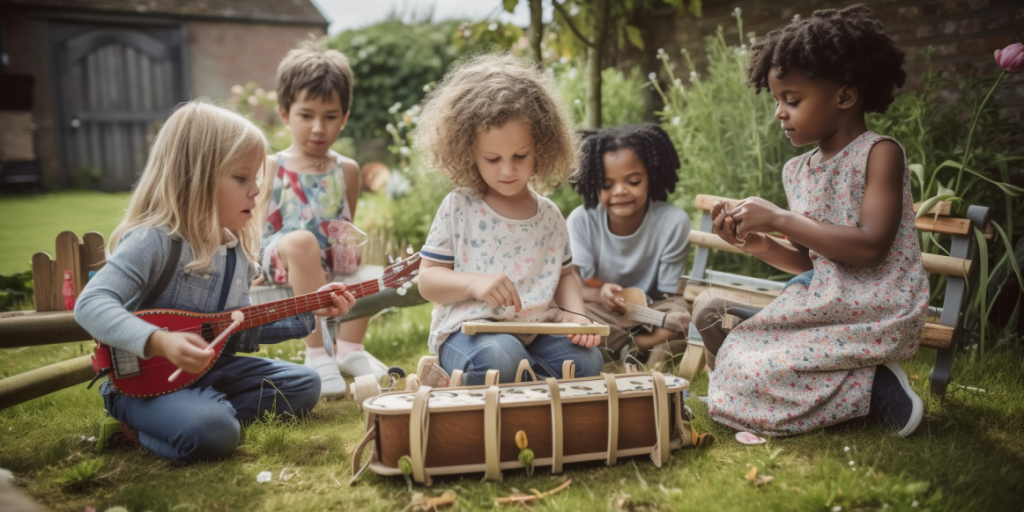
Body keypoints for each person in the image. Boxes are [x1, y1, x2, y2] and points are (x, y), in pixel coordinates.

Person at [693, 4, 929, 438]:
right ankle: (863, 388)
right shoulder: (797, 171)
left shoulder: (879, 153)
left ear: (844, 96)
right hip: (824, 301)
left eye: (792, 100)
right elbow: (810, 263)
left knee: (757, 359)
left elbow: (870, 247)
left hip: (876, 304)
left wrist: (780, 216)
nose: (779, 113)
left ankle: (879, 388)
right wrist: (760, 242)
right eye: (778, 100)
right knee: (742, 354)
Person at [75, 101, 356, 464]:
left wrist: (309, 308)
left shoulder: (234, 251)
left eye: (256, 178)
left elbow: (235, 330)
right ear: (193, 178)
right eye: (241, 178)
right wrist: (160, 341)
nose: (256, 191)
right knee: (215, 432)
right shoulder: (153, 240)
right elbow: (91, 304)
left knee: (305, 385)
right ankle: (149, 424)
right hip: (143, 383)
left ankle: (203, 414)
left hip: (209, 372)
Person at [413, 53, 605, 385]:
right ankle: (511, 378)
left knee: (587, 360)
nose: (507, 170)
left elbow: (565, 274)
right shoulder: (459, 208)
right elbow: (427, 281)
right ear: (469, 152)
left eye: (520, 156)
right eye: (492, 158)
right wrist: (475, 283)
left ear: (541, 148)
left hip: (537, 331)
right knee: (502, 358)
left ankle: (517, 382)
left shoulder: (549, 215)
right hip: (471, 333)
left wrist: (576, 317)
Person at [260, 41, 386, 398]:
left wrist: (348, 251)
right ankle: (317, 352)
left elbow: (344, 225)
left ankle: (348, 348)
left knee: (353, 261)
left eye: (330, 117)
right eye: (306, 115)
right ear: (285, 113)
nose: (318, 127)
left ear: (344, 118)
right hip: (280, 256)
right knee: (303, 242)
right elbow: (255, 227)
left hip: (327, 263)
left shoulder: (347, 170)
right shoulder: (272, 166)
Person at [567, 124, 692, 361]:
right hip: (602, 309)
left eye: (633, 181)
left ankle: (623, 347)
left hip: (652, 307)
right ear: (593, 183)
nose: (620, 191)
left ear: (651, 177)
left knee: (681, 312)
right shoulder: (581, 221)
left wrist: (636, 311)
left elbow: (667, 293)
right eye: (607, 184)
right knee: (569, 312)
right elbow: (575, 287)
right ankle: (642, 346)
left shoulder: (673, 222)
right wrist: (601, 294)